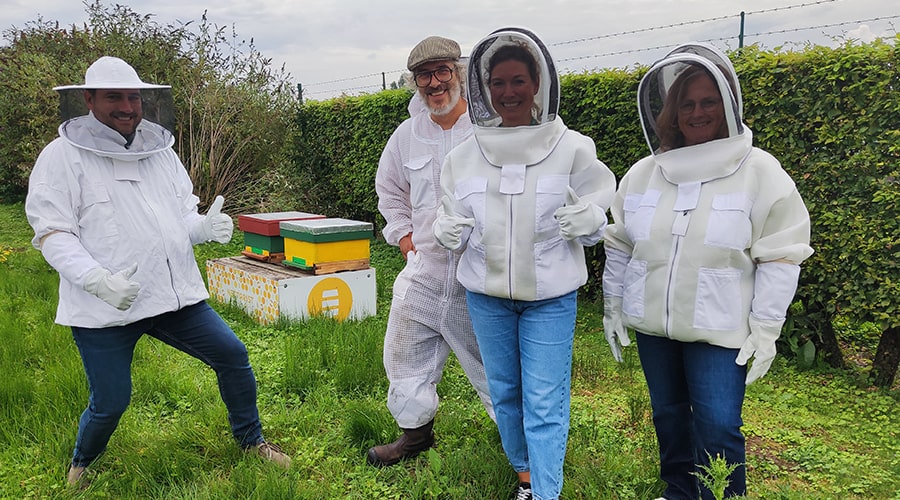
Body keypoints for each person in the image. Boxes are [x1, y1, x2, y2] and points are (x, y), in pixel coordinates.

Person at [24, 56, 291, 487]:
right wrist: (97, 280)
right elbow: (53, 233)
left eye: (134, 97)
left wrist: (201, 227)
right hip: (104, 307)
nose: (127, 106)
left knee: (233, 356)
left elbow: (180, 214)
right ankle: (81, 465)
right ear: (89, 99)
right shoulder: (61, 158)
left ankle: (251, 441)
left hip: (172, 297)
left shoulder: (159, 152)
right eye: (115, 96)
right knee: (111, 401)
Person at [601, 43, 813, 500]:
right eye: (687, 103)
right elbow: (620, 243)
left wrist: (766, 326)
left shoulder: (761, 173)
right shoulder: (643, 172)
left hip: (720, 330)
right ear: (671, 112)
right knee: (669, 415)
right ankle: (678, 491)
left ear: (728, 105)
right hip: (654, 325)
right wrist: (613, 304)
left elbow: (779, 252)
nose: (697, 112)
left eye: (708, 101)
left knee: (718, 425)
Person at [434, 27, 616, 500]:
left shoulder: (573, 148)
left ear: (538, 84)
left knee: (543, 399)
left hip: (549, 300)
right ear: (484, 89)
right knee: (506, 394)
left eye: (518, 80)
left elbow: (598, 204)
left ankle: (547, 493)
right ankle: (526, 478)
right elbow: (449, 214)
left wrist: (591, 218)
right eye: (498, 82)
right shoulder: (462, 157)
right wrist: (443, 230)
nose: (508, 91)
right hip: (486, 299)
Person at [368, 36, 495, 468]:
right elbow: (389, 190)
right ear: (414, 83)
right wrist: (404, 237)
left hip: (480, 273)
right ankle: (415, 437)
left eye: (442, 71)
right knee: (402, 353)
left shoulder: (488, 127)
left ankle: (525, 444)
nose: (434, 82)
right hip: (424, 270)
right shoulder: (406, 136)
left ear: (459, 73)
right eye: (424, 75)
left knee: (494, 365)